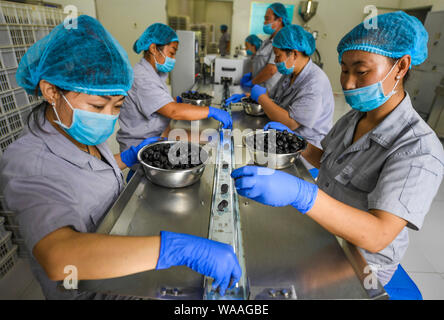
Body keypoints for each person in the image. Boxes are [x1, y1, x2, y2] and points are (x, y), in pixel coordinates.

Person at [0, 15, 241, 300]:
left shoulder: (78, 133)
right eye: (98, 105)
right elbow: (58, 257)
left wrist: (125, 158)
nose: (108, 118)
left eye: (117, 106)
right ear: (51, 91)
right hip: (89, 288)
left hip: (119, 253)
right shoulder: (27, 163)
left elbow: (83, 175)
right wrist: (175, 249)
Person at [231, 11, 444, 299]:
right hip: (325, 230)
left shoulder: (418, 148)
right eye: (344, 69)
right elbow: (328, 162)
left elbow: (378, 235)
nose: (348, 83)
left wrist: (302, 194)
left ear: (402, 65)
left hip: (362, 261)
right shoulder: (355, 117)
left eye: (362, 71)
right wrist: (297, 143)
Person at [117, 23, 232, 159]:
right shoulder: (141, 77)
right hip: (140, 148)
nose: (173, 59)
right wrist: (211, 111)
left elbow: (166, 110)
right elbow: (173, 111)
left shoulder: (154, 73)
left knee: (208, 138)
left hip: (158, 137)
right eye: (171, 53)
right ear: (153, 48)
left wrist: (209, 137)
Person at [249, 24, 334, 153]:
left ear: (294, 54)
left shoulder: (314, 83)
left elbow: (291, 123)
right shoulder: (291, 73)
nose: (276, 61)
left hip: (306, 150)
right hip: (287, 138)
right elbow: (275, 98)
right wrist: (248, 97)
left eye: (278, 56)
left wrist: (261, 98)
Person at [240, 2, 289, 93]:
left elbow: (271, 69)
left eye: (267, 19)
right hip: (259, 88)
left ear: (279, 20)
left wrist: (252, 82)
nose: (264, 22)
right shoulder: (267, 40)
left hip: (269, 91)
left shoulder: (281, 41)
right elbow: (259, 61)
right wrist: (252, 74)